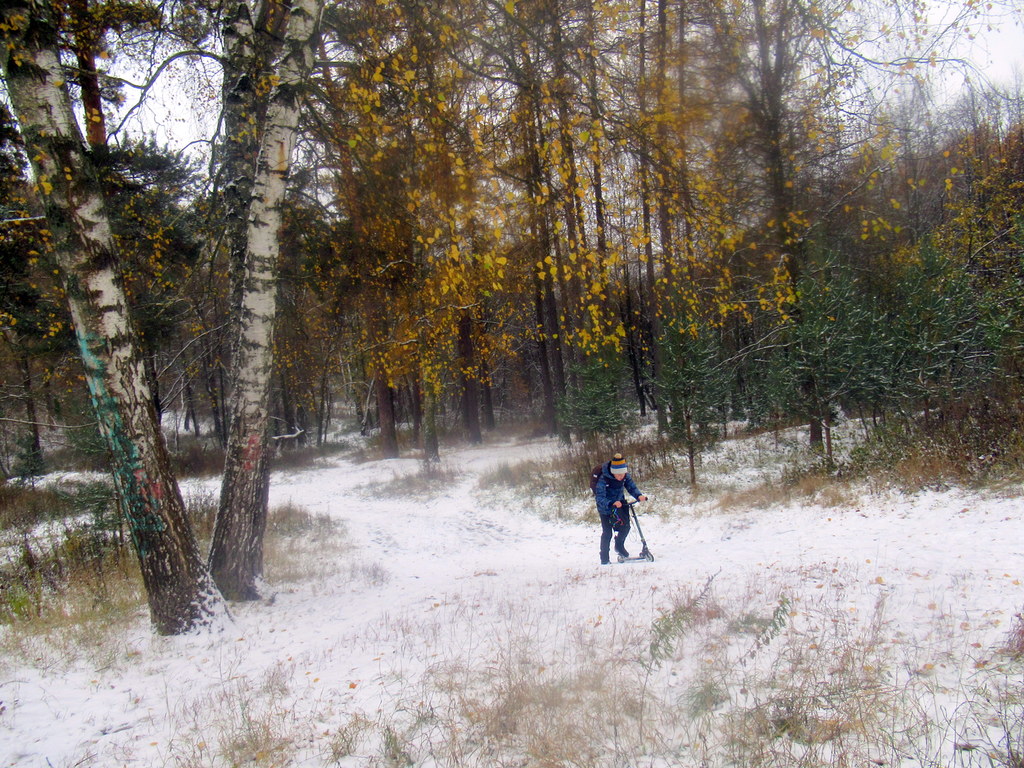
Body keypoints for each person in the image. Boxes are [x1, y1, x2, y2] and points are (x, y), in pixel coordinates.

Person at [593, 453, 647, 564]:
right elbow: (600, 497)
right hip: (606, 509)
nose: (621, 477)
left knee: (625, 527)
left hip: (620, 506)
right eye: (618, 475)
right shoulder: (603, 479)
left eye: (622, 474)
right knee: (607, 533)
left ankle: (619, 545)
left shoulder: (625, 476)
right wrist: (611, 503)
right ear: (613, 472)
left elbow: (631, 486)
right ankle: (604, 558)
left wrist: (639, 496)